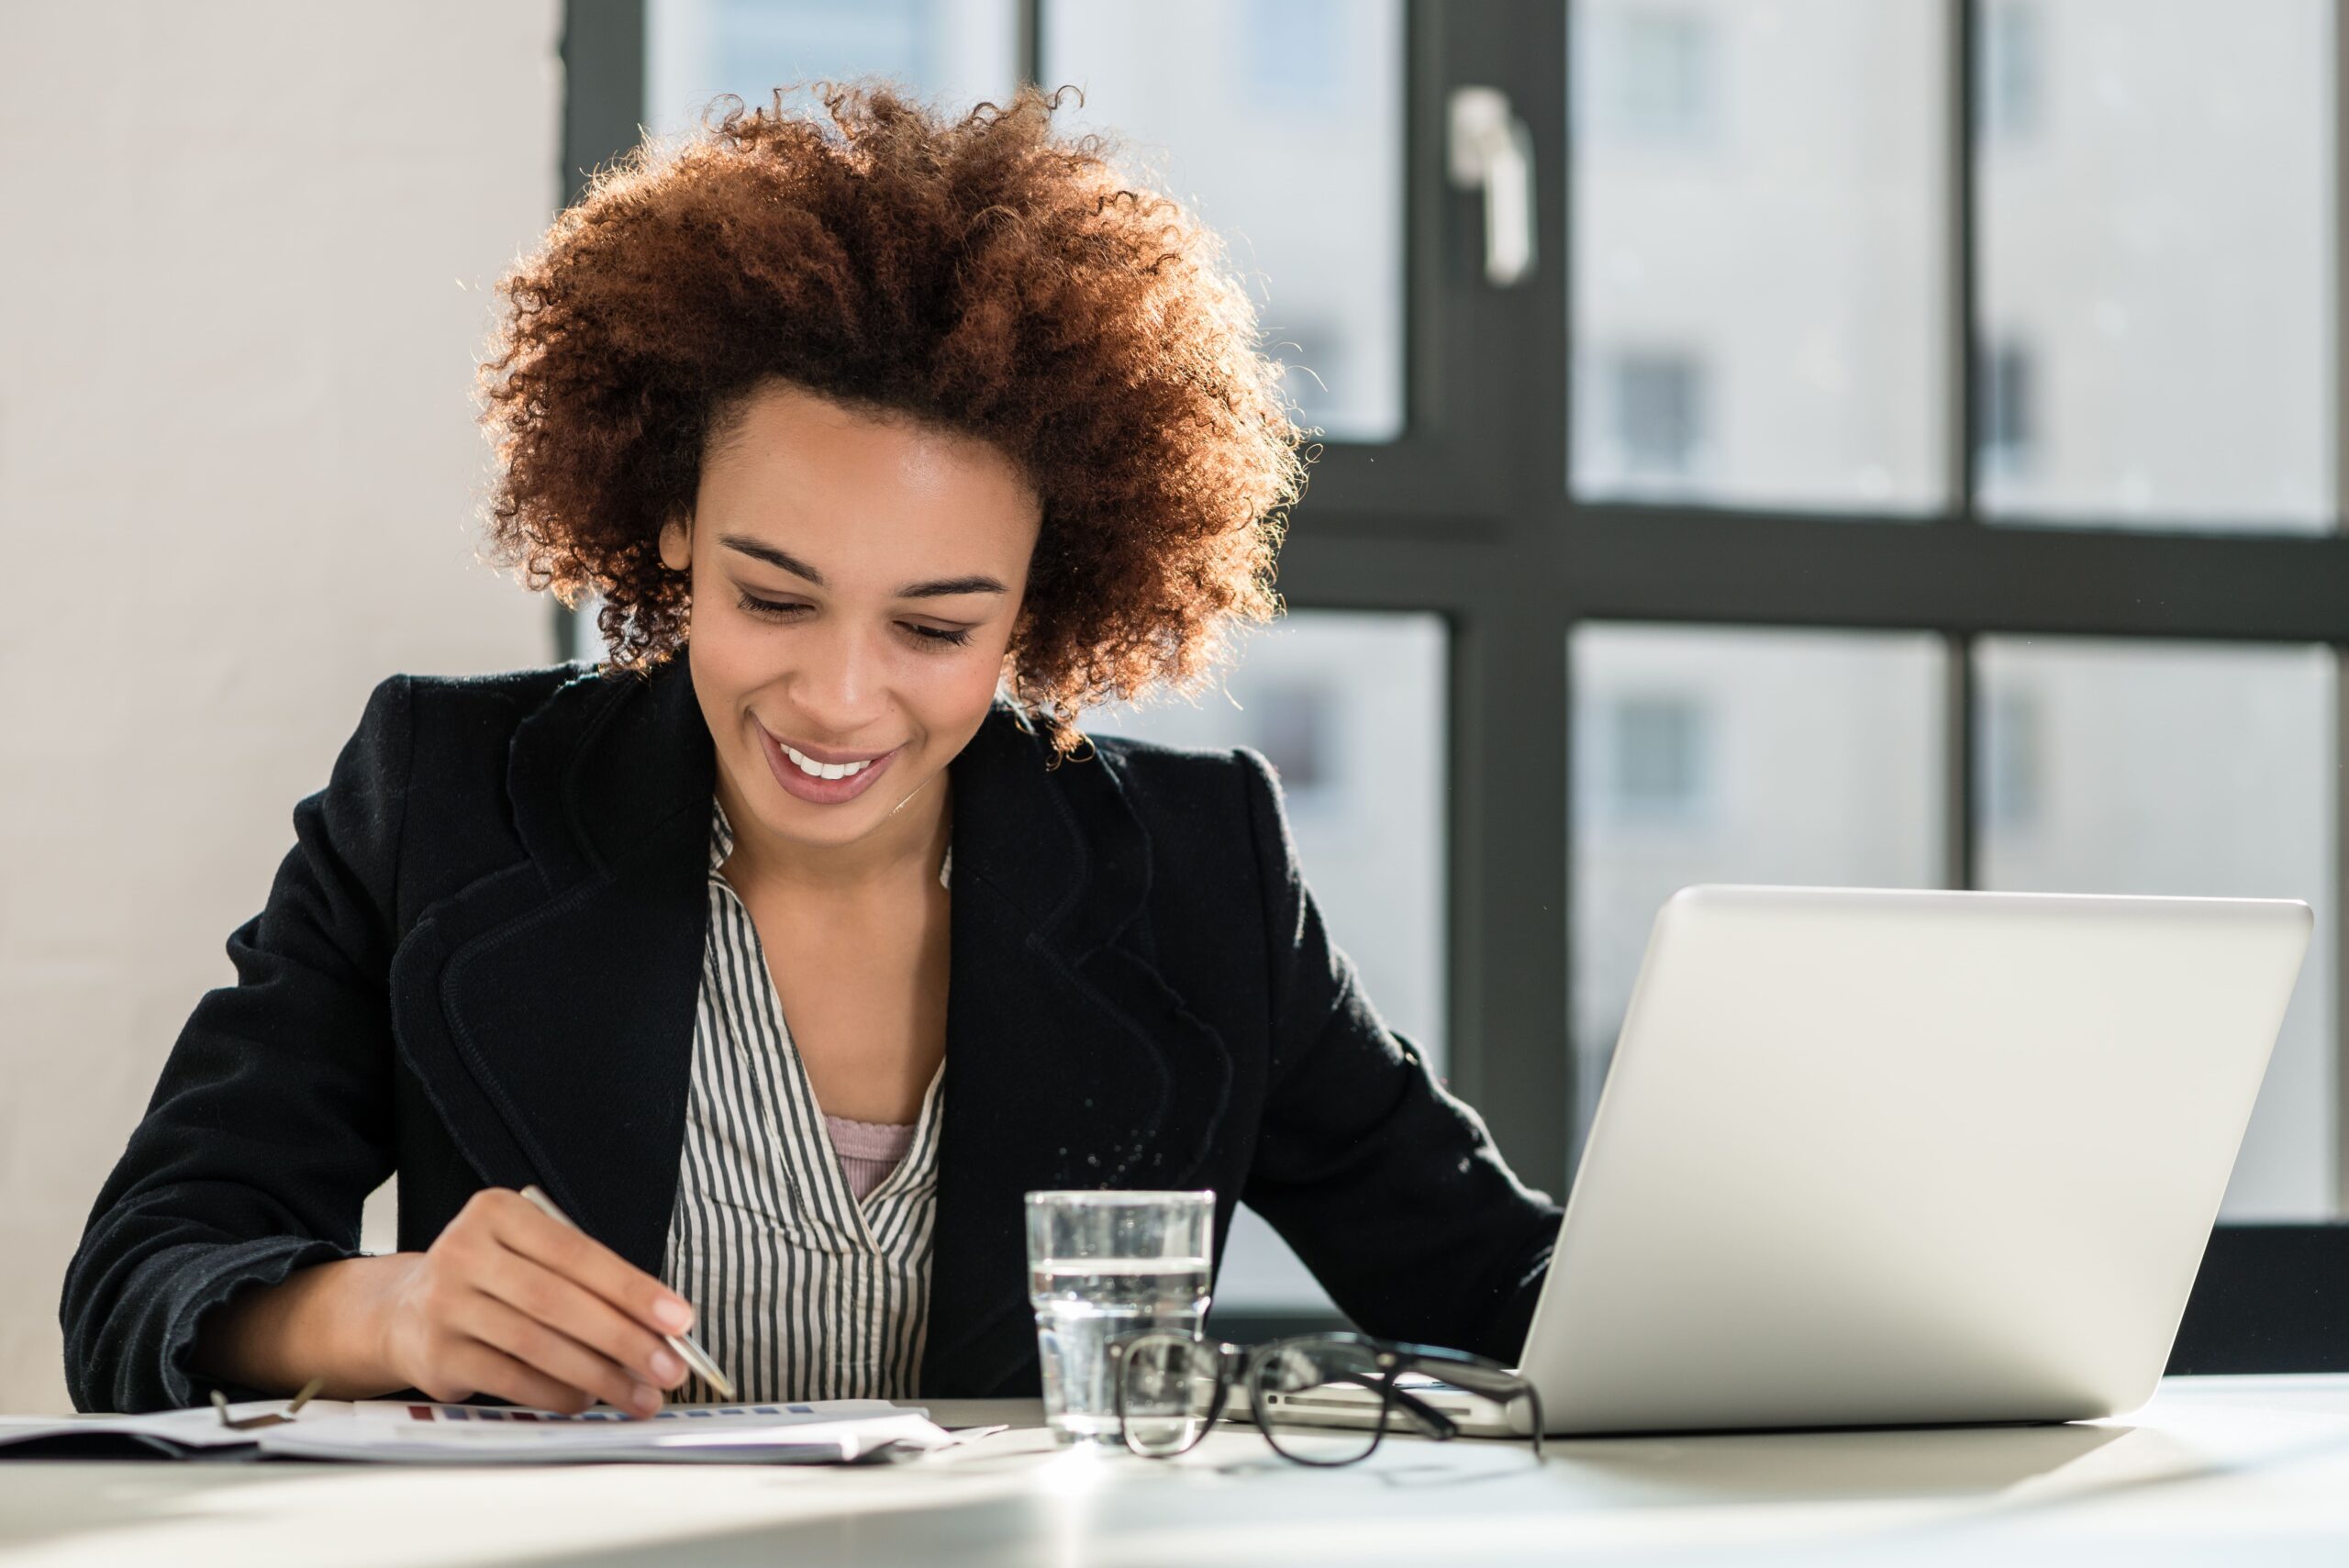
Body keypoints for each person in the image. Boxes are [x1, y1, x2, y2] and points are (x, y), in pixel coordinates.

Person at [61, 81, 1562, 1417]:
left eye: (935, 627)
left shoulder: (1196, 871)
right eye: (773, 595)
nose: (840, 697)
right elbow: (141, 1276)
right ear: (669, 524)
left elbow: (1510, 1287)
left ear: (1043, 599)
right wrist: (386, 1310)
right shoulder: (442, 796)